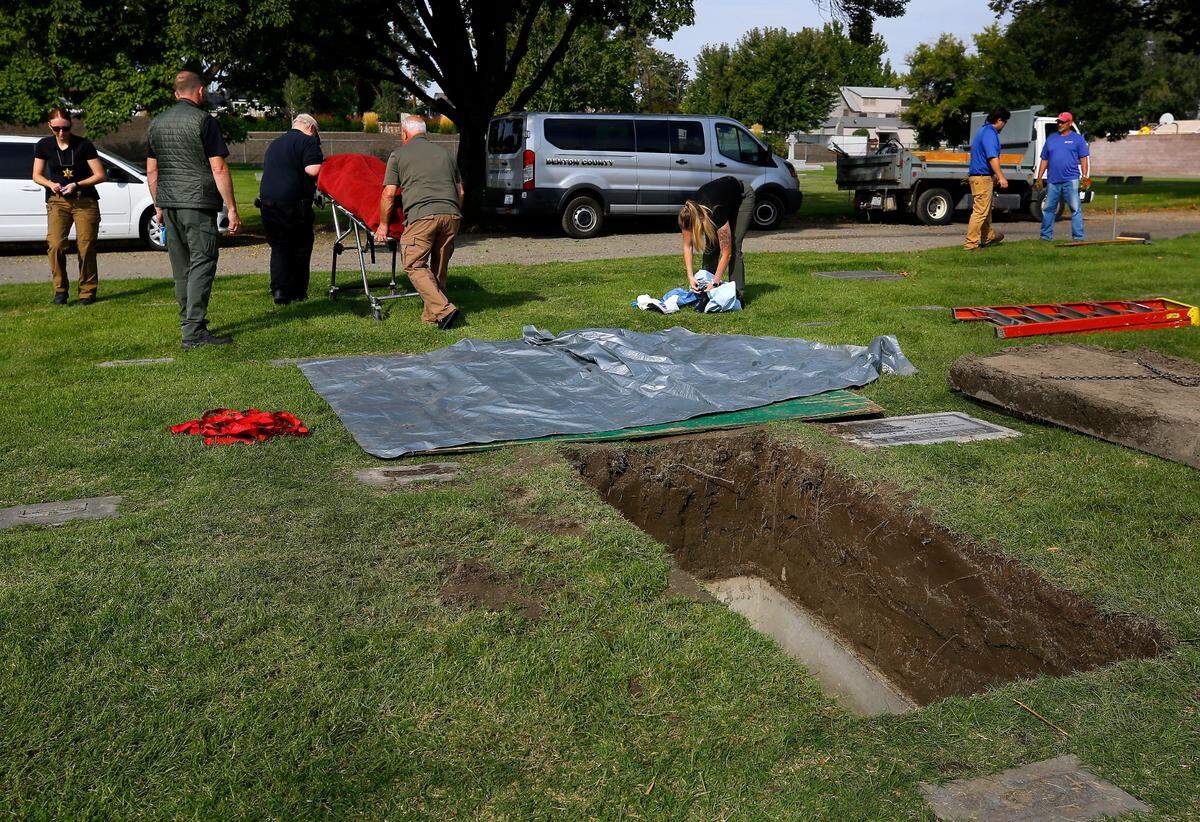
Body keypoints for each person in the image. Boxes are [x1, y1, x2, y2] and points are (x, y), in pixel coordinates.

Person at [146, 70, 242, 350]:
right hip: (197, 203)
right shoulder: (204, 121)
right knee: (203, 262)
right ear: (200, 91)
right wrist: (233, 209)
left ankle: (188, 324)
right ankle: (194, 332)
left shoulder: (156, 123)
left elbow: (152, 171)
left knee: (182, 267)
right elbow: (218, 167)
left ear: (177, 93)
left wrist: (158, 204)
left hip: (170, 203)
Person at [374, 115, 464, 329]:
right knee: (438, 267)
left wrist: (383, 225)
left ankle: (445, 310)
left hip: (422, 216)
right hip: (451, 214)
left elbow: (388, 194)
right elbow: (460, 190)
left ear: (404, 133)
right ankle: (432, 316)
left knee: (414, 264)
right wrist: (452, 212)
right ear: (425, 133)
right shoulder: (446, 154)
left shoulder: (398, 155)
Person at [31, 108, 106, 305]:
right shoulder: (44, 145)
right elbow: (36, 174)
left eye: (65, 128)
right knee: (55, 244)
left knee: (86, 246)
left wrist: (77, 184)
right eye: (57, 129)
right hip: (57, 201)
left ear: (71, 126)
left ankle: (87, 292)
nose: (61, 133)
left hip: (84, 201)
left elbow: (100, 174)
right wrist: (50, 184)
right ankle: (60, 290)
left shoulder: (84, 144)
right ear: (50, 126)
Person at [258, 113, 324, 304]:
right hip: (293, 204)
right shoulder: (307, 141)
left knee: (279, 247)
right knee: (301, 246)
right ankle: (297, 290)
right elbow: (313, 169)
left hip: (268, 203)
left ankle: (279, 290)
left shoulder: (276, 143)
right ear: (311, 129)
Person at [677, 175, 755, 303]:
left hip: (742, 197)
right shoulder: (688, 213)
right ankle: (704, 288)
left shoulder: (715, 211)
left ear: (699, 222)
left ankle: (737, 295)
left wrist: (715, 282)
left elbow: (726, 253)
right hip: (722, 200)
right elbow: (687, 246)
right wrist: (690, 276)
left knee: (734, 245)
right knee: (711, 245)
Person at [1035, 111, 1090, 241]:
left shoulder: (1078, 139)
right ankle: (1045, 237)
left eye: (1062, 122)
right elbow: (1044, 159)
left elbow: (1084, 158)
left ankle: (1078, 237)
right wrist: (1039, 177)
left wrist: (1085, 177)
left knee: (1075, 209)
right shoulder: (1051, 138)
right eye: (1058, 121)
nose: (1059, 124)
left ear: (1070, 123)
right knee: (1048, 208)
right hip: (1053, 180)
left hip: (1071, 179)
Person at [964, 108, 1010, 251]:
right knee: (980, 212)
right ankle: (971, 244)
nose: (1004, 125)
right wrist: (1001, 176)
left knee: (986, 211)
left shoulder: (983, 131)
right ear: (999, 120)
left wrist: (994, 175)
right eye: (1005, 122)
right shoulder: (990, 133)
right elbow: (992, 157)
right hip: (982, 178)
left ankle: (988, 237)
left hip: (982, 176)